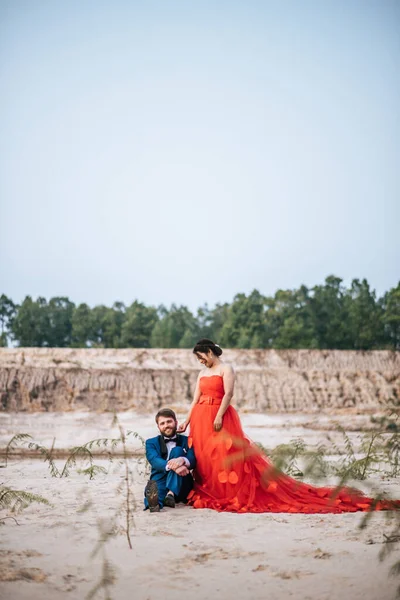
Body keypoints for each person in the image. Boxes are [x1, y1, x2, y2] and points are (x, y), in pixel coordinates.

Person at [178, 338, 398, 513]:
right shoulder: (202, 373)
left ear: (209, 352)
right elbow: (194, 399)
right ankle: (210, 488)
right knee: (205, 456)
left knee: (224, 454)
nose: (201, 362)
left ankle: (228, 492)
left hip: (219, 415)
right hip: (200, 417)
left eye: (201, 358)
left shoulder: (226, 368)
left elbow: (229, 393)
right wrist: (186, 421)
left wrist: (219, 415)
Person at [144, 408, 196, 512]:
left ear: (175, 422)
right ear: (158, 427)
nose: (166, 425)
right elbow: (154, 460)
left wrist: (182, 460)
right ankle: (154, 503)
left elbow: (193, 459)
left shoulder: (187, 440)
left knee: (177, 451)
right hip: (161, 477)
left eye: (169, 421)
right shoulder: (151, 442)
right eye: (162, 423)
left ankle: (170, 493)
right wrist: (175, 467)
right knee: (156, 490)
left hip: (183, 480)